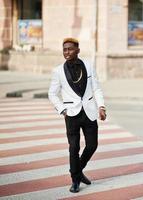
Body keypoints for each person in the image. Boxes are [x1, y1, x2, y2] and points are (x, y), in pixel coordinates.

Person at [48, 38, 106, 193]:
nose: (67, 52)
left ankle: (78, 171)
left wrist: (101, 106)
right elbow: (52, 94)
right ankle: (75, 180)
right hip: (71, 114)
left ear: (77, 50)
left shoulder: (88, 65)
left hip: (89, 111)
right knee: (73, 147)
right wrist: (62, 109)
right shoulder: (58, 71)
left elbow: (97, 88)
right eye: (64, 49)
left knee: (92, 145)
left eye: (70, 49)